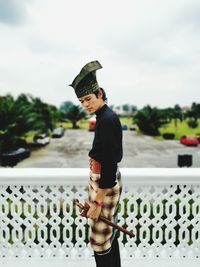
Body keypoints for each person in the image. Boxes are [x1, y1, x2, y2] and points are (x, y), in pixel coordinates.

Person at [70, 60, 123, 267]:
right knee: (109, 235)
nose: (85, 105)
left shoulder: (107, 119)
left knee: (99, 241)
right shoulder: (103, 117)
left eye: (88, 99)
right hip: (101, 182)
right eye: (81, 101)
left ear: (99, 93)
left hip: (105, 185)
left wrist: (97, 203)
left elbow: (109, 164)